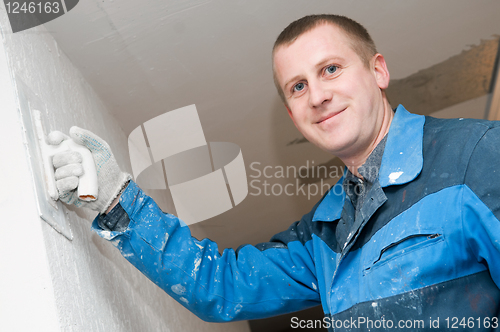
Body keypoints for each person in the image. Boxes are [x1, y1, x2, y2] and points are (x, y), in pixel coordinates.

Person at [50, 14, 500, 331]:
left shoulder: (478, 154)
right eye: (298, 86)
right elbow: (220, 286)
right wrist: (112, 196)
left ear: (377, 70)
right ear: (292, 114)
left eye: (331, 69)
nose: (318, 95)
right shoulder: (326, 231)